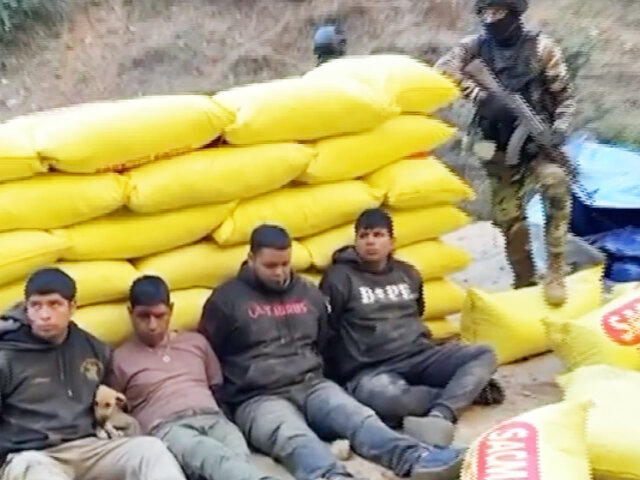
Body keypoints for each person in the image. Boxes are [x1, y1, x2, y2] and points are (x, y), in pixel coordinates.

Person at [198, 225, 465, 480]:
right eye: (270, 266)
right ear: (251, 259)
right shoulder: (226, 301)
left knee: (358, 417)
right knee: (294, 437)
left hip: (312, 385)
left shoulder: (307, 294)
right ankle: (329, 475)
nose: (279, 272)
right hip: (257, 398)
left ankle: (416, 458)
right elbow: (207, 356)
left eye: (285, 264)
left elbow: (325, 341)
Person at [320, 209, 501, 448]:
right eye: (364, 236)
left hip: (422, 356)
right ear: (356, 242)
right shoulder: (339, 278)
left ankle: (442, 414)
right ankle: (466, 393)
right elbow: (327, 330)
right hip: (372, 370)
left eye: (378, 235)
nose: (370, 241)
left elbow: (418, 313)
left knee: (484, 353)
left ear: (392, 241)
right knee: (386, 399)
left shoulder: (407, 273)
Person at [435, 0, 576, 305]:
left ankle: (555, 268)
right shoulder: (475, 46)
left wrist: (559, 130)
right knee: (508, 220)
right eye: (485, 13)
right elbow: (442, 69)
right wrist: (481, 97)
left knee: (556, 185)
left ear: (513, 13)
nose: (491, 19)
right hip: (494, 147)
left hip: (537, 144)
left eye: (498, 12)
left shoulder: (542, 49)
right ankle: (524, 279)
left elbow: (565, 98)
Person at [0, 268, 185, 480]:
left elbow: (109, 399)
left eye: (54, 304)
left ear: (72, 307)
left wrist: (113, 414)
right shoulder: (7, 356)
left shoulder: (93, 349)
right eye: (36, 305)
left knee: (150, 451)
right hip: (34, 455)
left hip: (89, 448)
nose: (44, 314)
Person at [109, 275, 272, 480]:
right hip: (168, 428)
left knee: (237, 456)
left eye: (159, 315)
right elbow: (114, 408)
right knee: (211, 455)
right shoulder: (119, 359)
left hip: (214, 419)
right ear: (130, 313)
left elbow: (217, 387)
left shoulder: (196, 343)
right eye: (144, 316)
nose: (152, 325)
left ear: (171, 311)